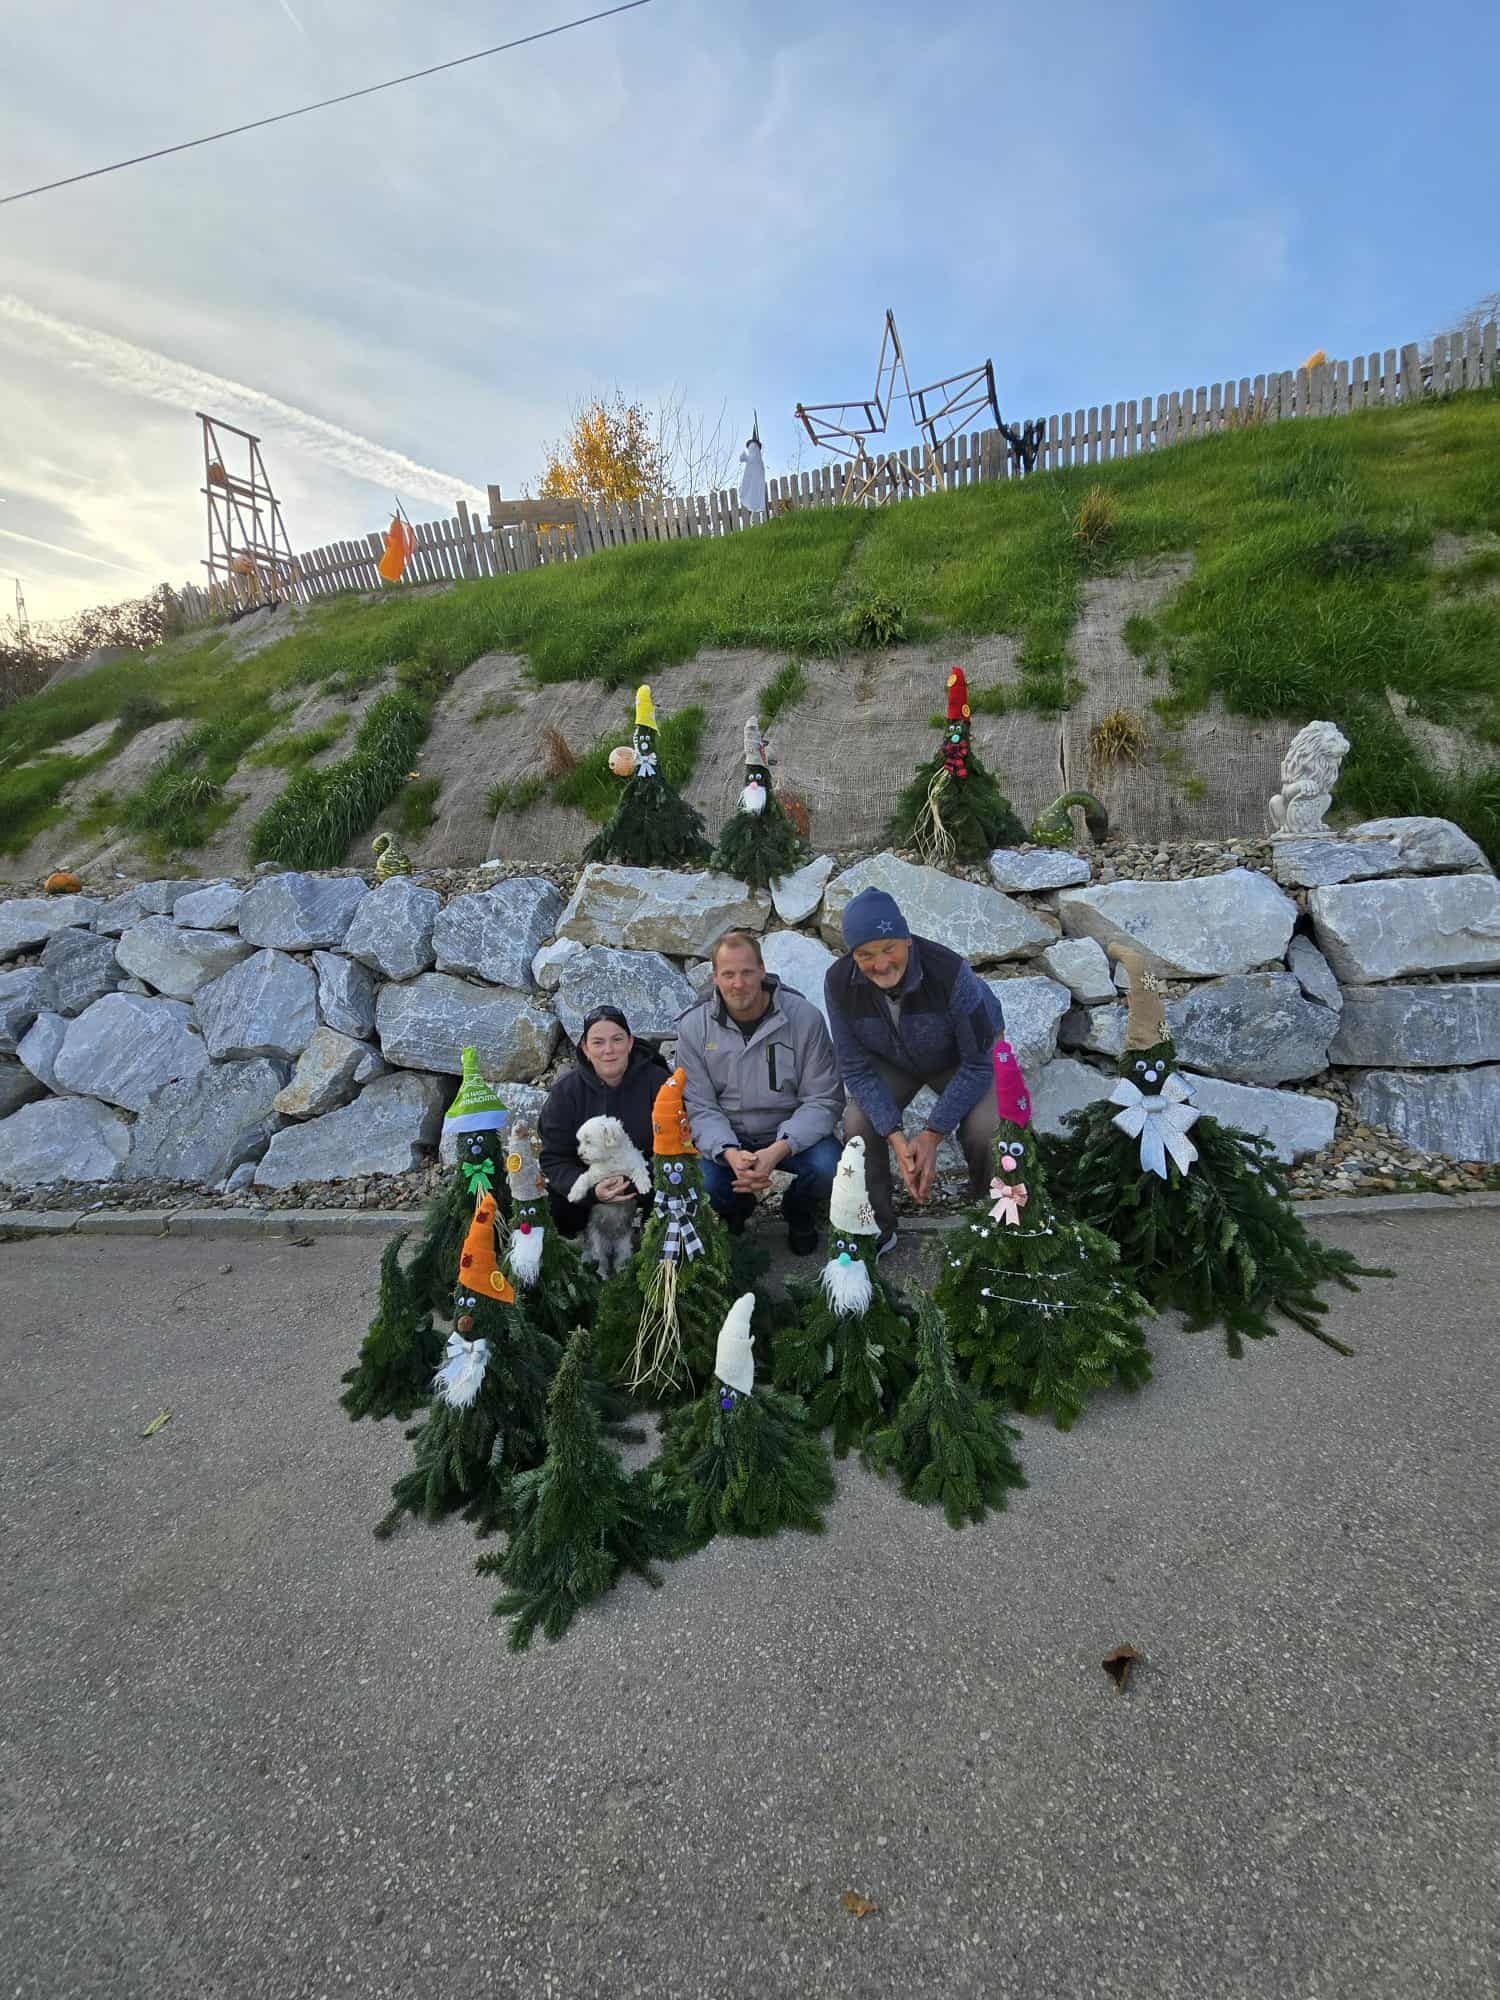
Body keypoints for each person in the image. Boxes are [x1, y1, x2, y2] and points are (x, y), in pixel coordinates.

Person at [824, 885, 1004, 1249]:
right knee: (859, 1126)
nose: (881, 964)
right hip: (892, 1060)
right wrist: (896, 1137)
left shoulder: (951, 971)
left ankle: (994, 1221)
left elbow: (978, 1065)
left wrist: (932, 1134)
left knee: (988, 1129)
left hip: (960, 1060)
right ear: (852, 954)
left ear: (906, 940)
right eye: (865, 955)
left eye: (889, 948)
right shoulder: (838, 982)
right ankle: (874, 1226)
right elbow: (856, 1069)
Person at [676, 930, 844, 1254]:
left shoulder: (805, 1019)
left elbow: (823, 1099)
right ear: (715, 977)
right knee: (703, 1181)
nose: (738, 984)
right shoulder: (693, 1028)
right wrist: (728, 1152)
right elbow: (698, 1105)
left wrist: (778, 1150)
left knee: (831, 1166)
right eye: (728, 974)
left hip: (789, 1132)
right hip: (729, 1134)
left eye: (747, 972)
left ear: (762, 970)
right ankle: (738, 1208)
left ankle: (799, 1212)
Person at [538, 1006, 669, 1237]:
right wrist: (593, 1189)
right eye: (598, 1043)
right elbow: (554, 1158)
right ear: (585, 1049)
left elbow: (676, 1147)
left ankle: (658, 1252)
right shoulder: (566, 1093)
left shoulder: (659, 1084)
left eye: (617, 1040)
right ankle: (577, 1257)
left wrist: (632, 1178)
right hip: (588, 1182)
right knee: (552, 1205)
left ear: (630, 1042)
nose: (608, 1050)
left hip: (645, 1178)